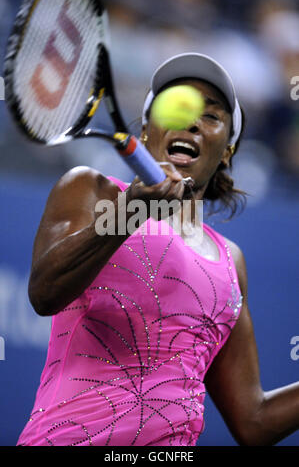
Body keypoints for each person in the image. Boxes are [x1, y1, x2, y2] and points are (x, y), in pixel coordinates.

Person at [17, 53, 299, 447]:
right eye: (177, 106)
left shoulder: (231, 263)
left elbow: (252, 421)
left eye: (212, 117)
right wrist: (131, 213)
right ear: (146, 130)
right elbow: (45, 293)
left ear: (228, 152)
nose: (193, 121)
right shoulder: (94, 190)